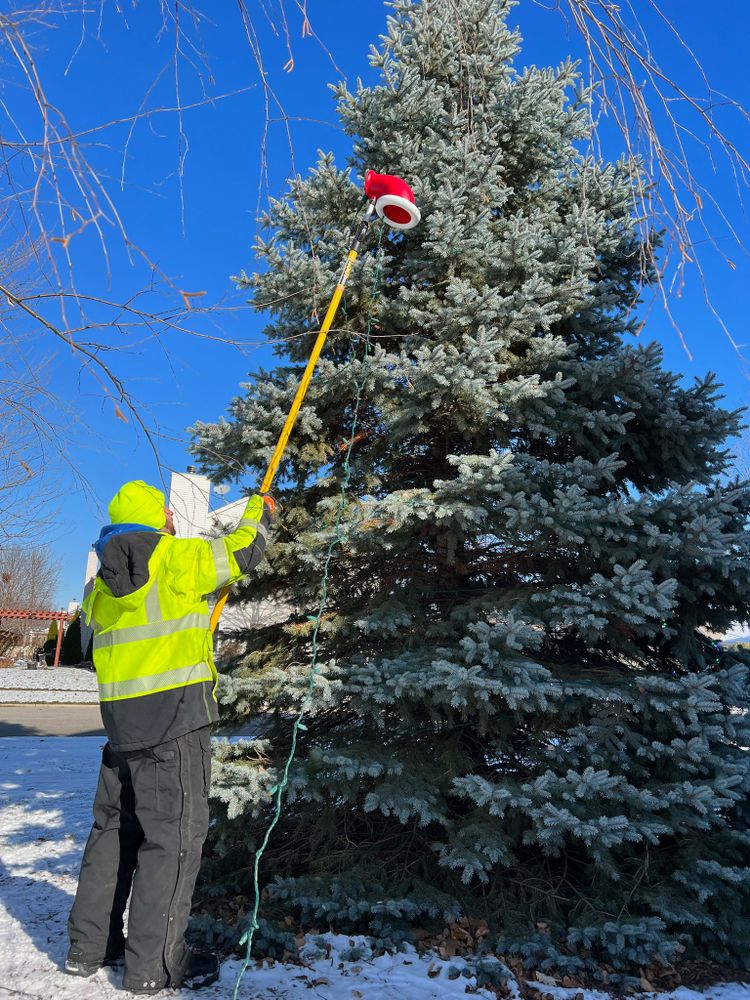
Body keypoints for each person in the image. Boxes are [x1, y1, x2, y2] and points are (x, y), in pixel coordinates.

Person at [66, 479, 273, 994]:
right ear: (157, 519)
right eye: (167, 513)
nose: (173, 520)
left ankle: (89, 948)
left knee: (112, 835)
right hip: (174, 724)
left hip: (119, 731)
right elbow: (243, 550)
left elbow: (88, 648)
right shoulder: (175, 557)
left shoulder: (97, 588)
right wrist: (260, 510)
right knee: (173, 842)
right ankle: (154, 968)